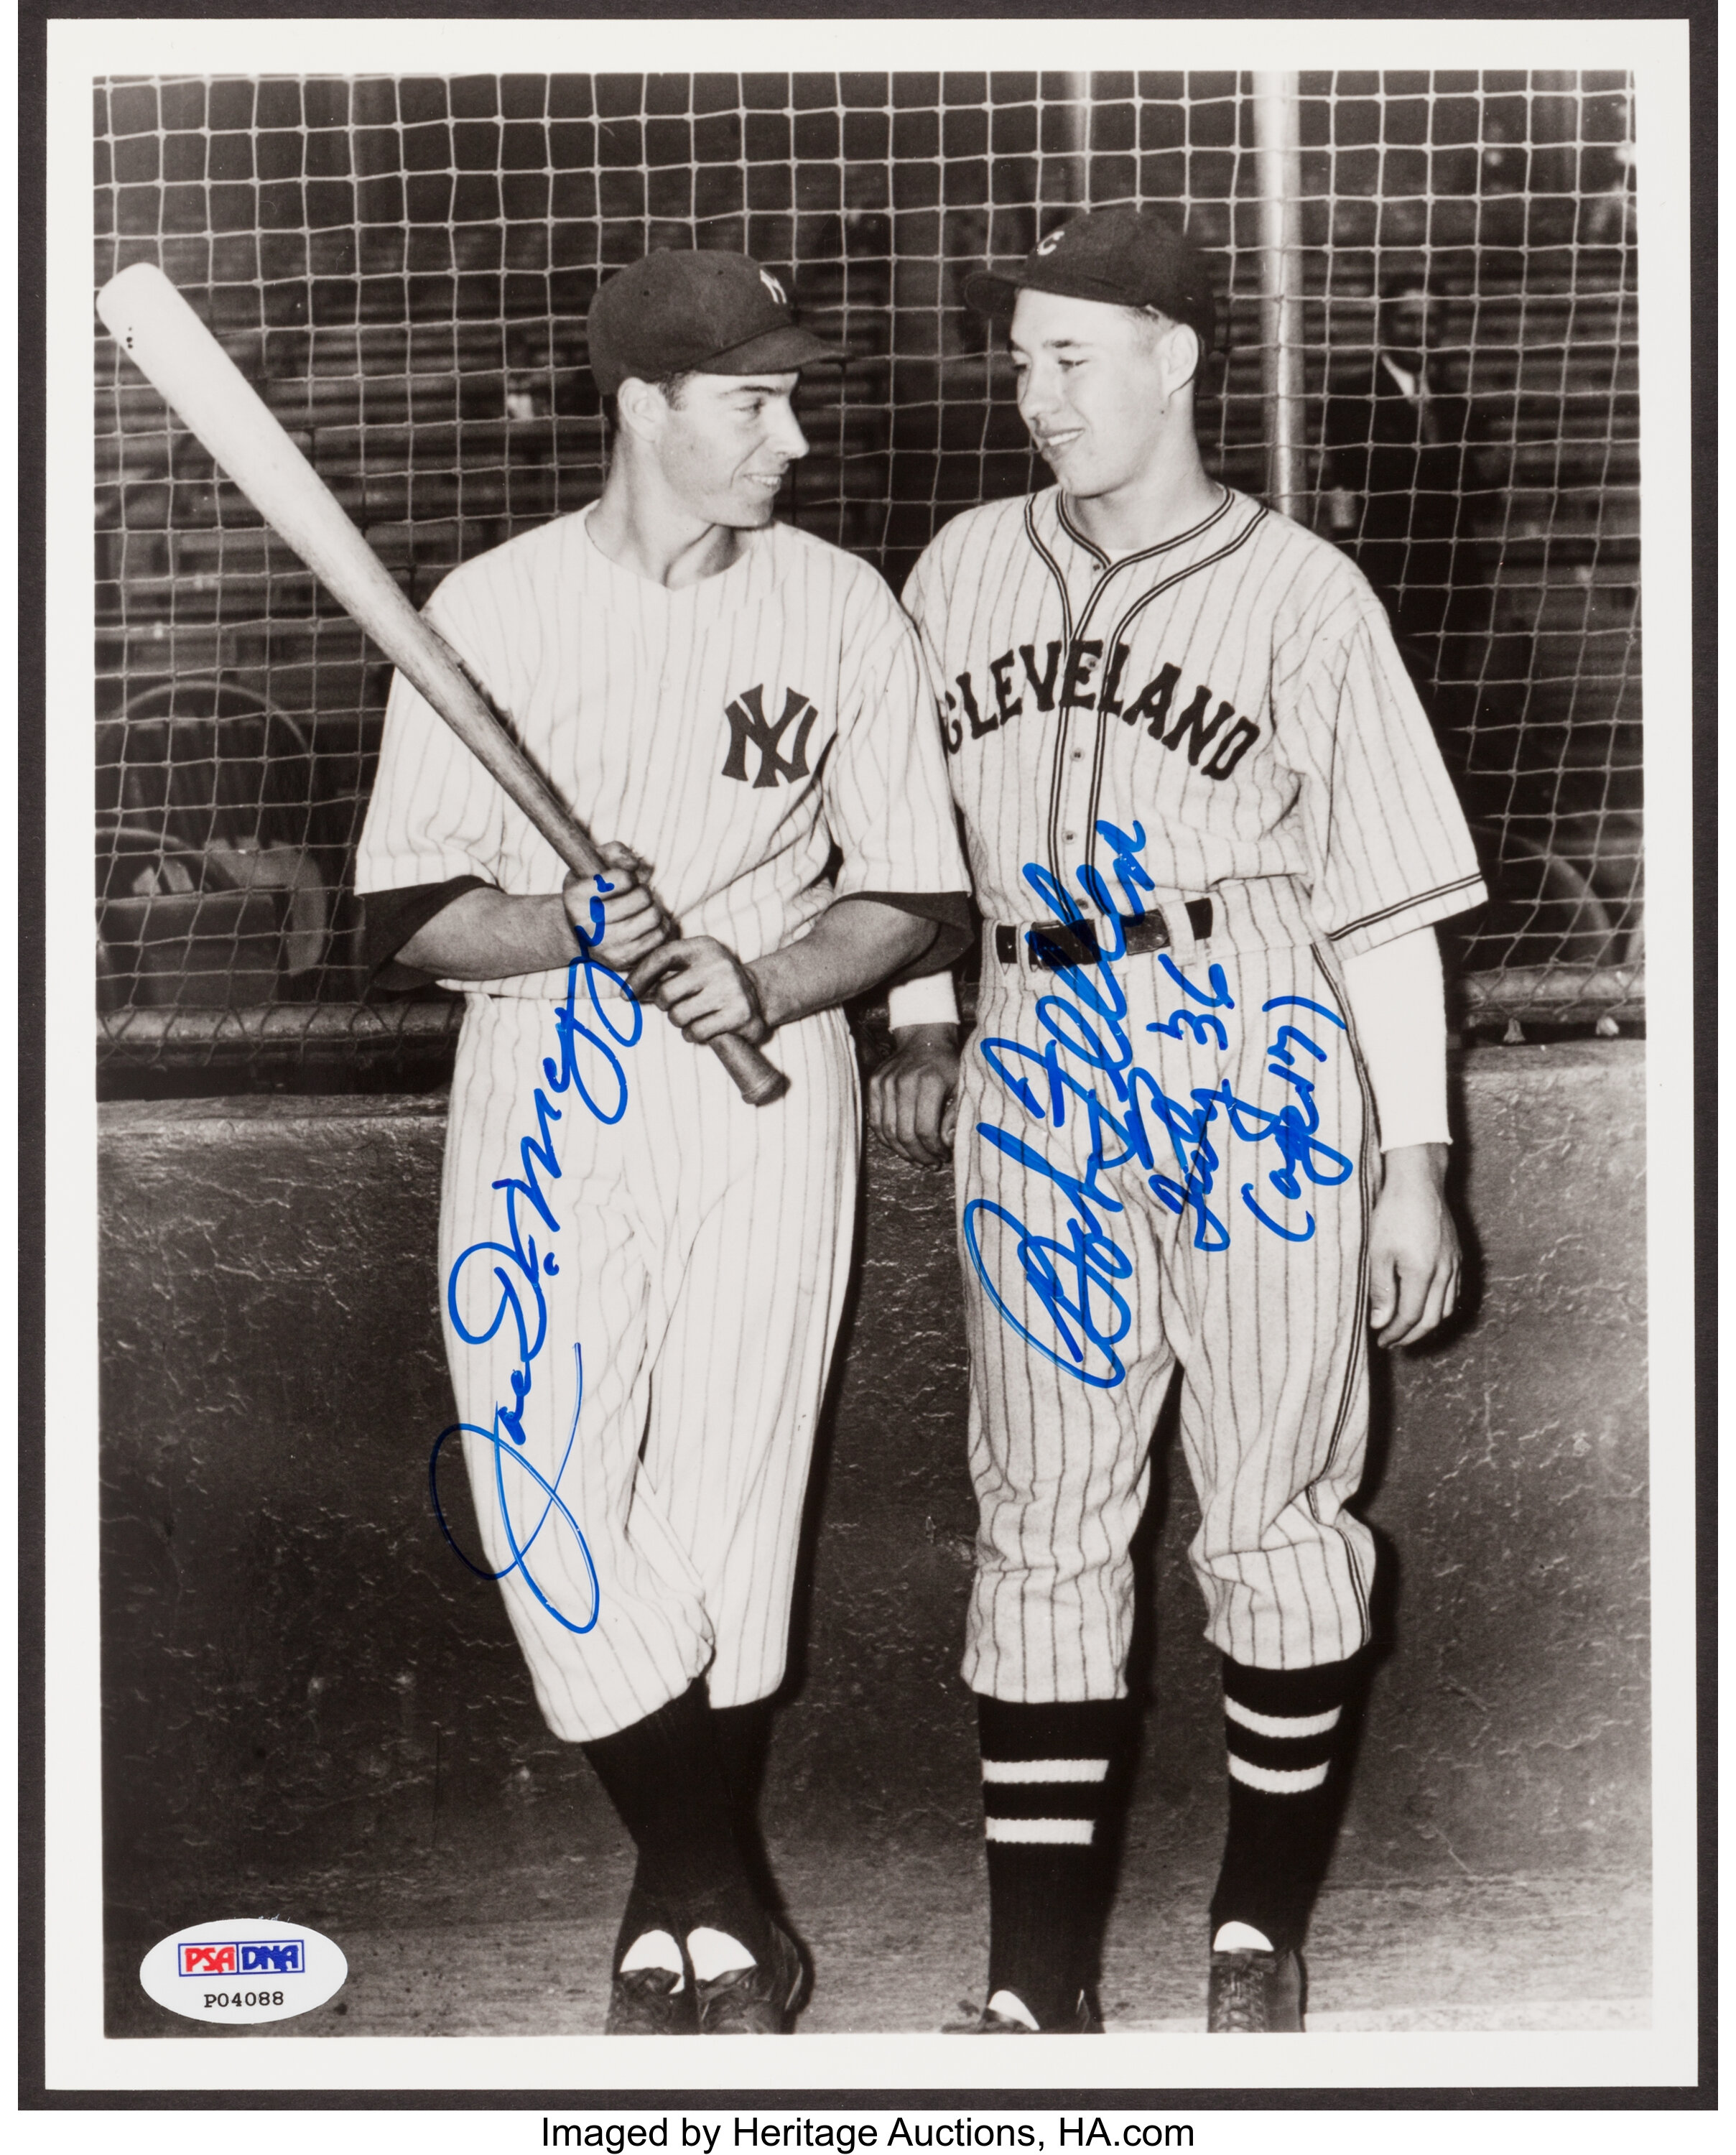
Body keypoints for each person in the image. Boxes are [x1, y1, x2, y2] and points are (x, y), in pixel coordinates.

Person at [868, 207, 1487, 2034]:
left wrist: (1417, 1163)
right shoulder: (964, 562)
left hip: (1259, 1042)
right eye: (1020, 360)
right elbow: (909, 827)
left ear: (1174, 358)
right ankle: (1034, 1980)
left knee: (1275, 1503)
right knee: (1043, 1511)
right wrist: (918, 1013)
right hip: (1039, 1036)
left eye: (1070, 358)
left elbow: (1385, 900)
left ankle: (1255, 1932)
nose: (1033, 393)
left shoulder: (1303, 592)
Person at [356, 249, 971, 2035]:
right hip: (545, 1073)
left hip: (758, 1083)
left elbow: (914, 894)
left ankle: (670, 1909)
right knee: (534, 1488)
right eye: (751, 400)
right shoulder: (493, 604)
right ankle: (713, 1874)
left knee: (723, 1493)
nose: (793, 433)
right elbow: (411, 908)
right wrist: (568, 925)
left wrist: (767, 976)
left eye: (796, 396)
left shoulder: (841, 602)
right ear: (642, 404)